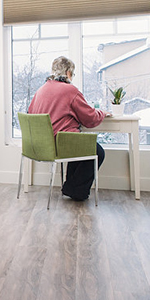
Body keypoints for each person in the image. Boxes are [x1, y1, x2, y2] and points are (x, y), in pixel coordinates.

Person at [27, 56, 109, 201]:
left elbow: (30, 113)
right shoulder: (70, 90)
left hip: (40, 146)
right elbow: (90, 119)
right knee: (97, 151)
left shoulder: (41, 90)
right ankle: (75, 190)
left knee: (77, 142)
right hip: (60, 144)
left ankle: (72, 187)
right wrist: (102, 113)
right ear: (68, 73)